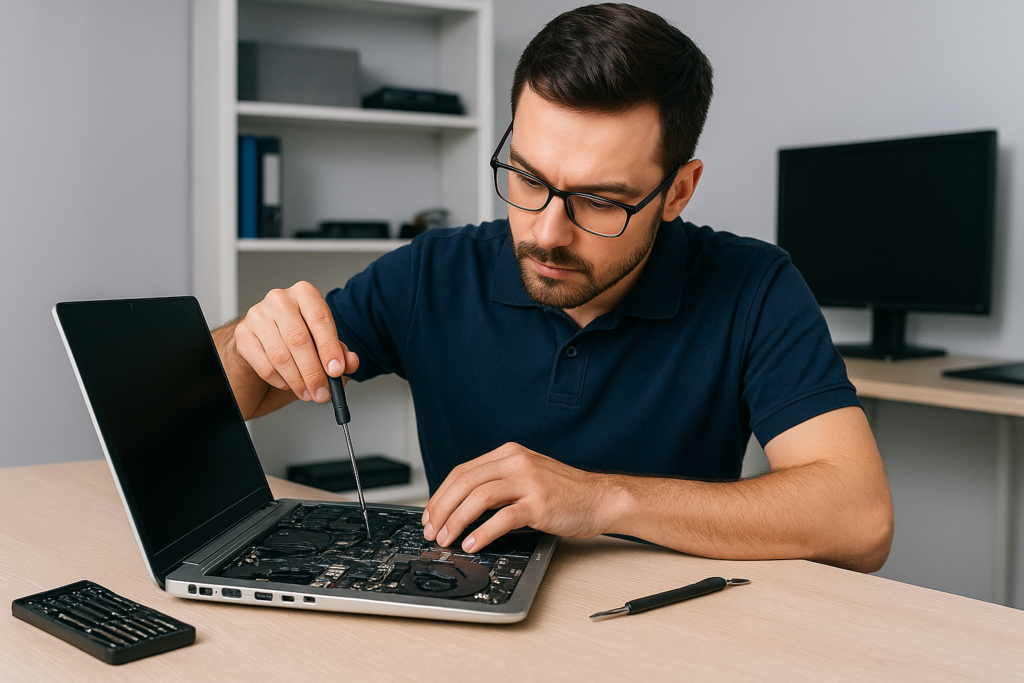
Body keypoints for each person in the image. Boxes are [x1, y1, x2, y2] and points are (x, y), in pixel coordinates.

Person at [213, 3, 894, 573]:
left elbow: (859, 519)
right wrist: (253, 341)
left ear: (677, 191)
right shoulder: (434, 271)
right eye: (529, 178)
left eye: (600, 200)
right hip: (466, 613)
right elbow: (206, 394)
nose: (547, 232)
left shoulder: (755, 285)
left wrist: (601, 501)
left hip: (671, 634)